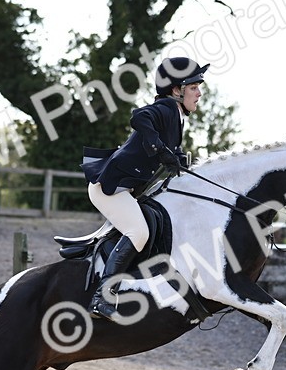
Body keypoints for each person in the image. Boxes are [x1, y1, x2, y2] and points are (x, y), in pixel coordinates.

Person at [82, 56, 208, 320]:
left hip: (128, 189)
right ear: (177, 90)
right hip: (110, 188)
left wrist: (178, 159)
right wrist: (158, 148)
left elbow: (171, 152)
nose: (199, 93)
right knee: (138, 232)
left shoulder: (177, 116)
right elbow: (139, 117)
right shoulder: (165, 108)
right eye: (194, 87)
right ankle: (101, 297)